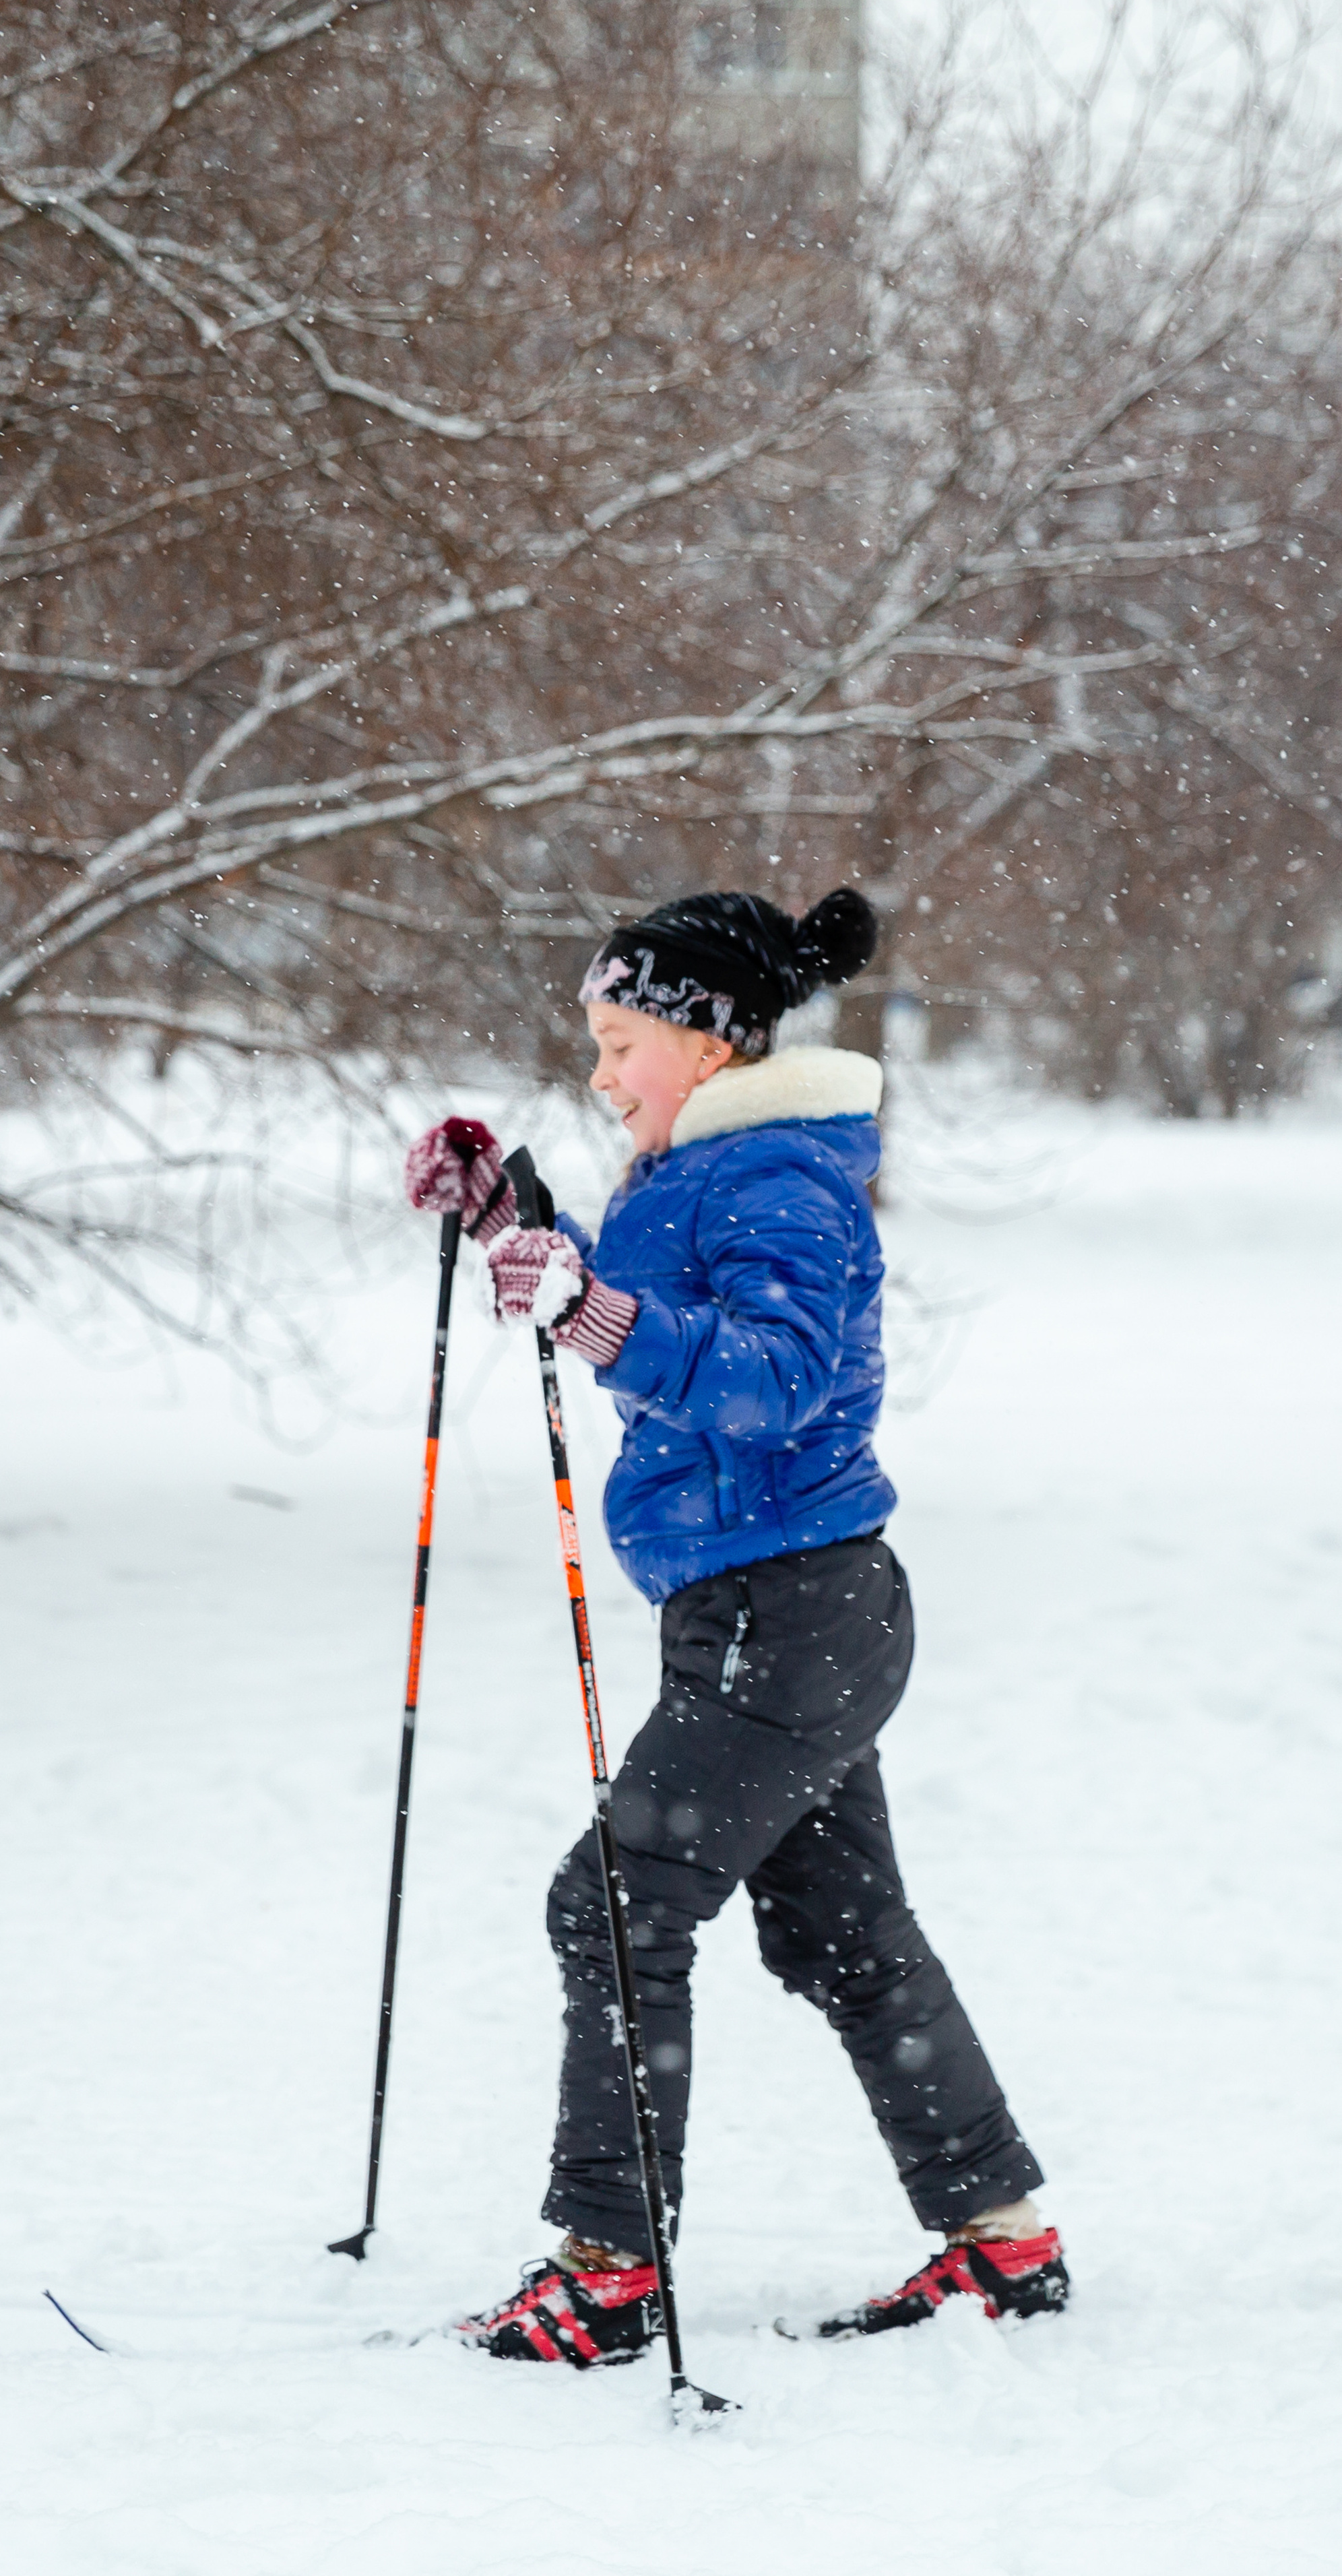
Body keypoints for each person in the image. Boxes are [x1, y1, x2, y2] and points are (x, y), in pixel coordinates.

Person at [402, 887, 1067, 2368]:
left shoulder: (782, 1179)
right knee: (846, 1936)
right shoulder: (702, 1168)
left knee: (614, 1907)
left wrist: (586, 1314)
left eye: (619, 1039)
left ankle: (607, 2271)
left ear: (705, 1041)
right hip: (773, 1619)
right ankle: (999, 2241)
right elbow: (641, 1306)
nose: (599, 1071)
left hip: (792, 1616)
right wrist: (514, 1216)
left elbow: (770, 1377)